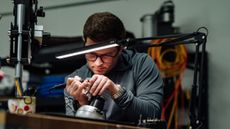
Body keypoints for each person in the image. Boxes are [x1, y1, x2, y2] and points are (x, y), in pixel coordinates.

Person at [64, 12, 163, 124]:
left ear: (121, 48)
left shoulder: (141, 64)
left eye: (106, 55)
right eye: (91, 54)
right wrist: (82, 103)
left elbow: (153, 114)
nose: (97, 63)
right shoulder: (74, 80)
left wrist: (116, 91)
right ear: (84, 42)